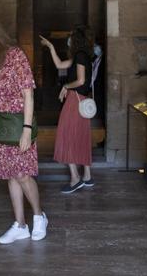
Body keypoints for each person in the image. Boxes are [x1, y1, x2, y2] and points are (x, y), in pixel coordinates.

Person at [0, 15, 48, 244]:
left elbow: (28, 94)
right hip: (2, 127)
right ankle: (20, 225)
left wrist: (26, 129)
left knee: (23, 175)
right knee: (10, 177)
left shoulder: (16, 55)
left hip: (18, 124)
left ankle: (39, 216)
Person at [40, 25, 94, 194]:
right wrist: (51, 47)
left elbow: (80, 80)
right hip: (82, 101)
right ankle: (87, 176)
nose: (69, 40)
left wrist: (65, 86)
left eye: (71, 37)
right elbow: (59, 65)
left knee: (66, 134)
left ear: (76, 40)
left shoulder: (79, 56)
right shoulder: (81, 56)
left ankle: (75, 178)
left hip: (75, 100)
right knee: (82, 136)